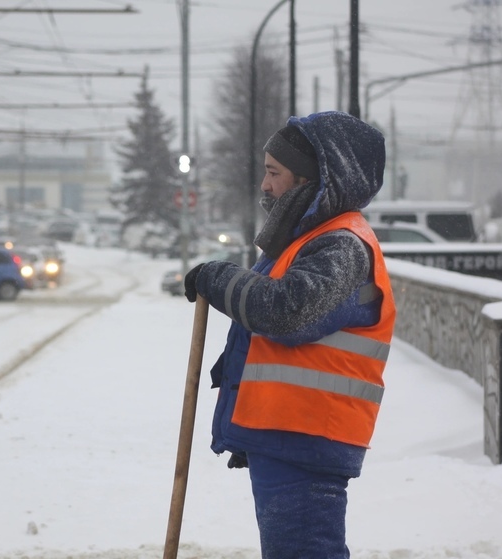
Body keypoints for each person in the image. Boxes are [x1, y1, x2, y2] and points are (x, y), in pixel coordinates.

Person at [183, 110, 396, 559]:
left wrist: (217, 279)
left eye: (274, 173)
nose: (265, 186)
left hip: (309, 438)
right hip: (287, 433)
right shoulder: (310, 239)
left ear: (310, 180)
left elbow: (287, 311)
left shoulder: (341, 245)